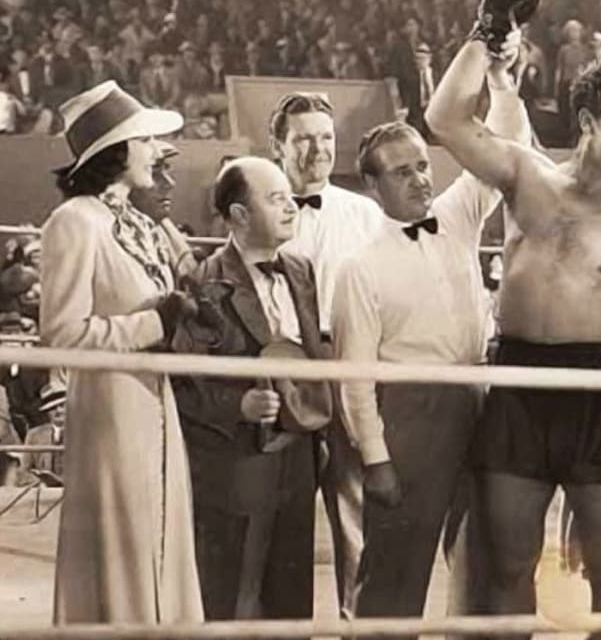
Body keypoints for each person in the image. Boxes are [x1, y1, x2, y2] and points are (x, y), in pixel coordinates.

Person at [426, 0, 601, 635]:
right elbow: (444, 119)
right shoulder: (525, 174)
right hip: (519, 382)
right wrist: (488, 32)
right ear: (588, 122)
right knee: (509, 565)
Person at [333, 33, 531, 622]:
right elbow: (354, 379)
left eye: (423, 165)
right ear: (373, 186)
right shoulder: (360, 266)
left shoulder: (457, 213)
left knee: (481, 560)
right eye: (402, 172)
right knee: (397, 568)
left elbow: (506, 148)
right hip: (411, 413)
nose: (420, 179)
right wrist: (376, 459)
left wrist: (500, 80)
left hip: (480, 397)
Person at [39, 80, 203, 624]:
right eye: (146, 140)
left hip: (156, 403)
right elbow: (61, 333)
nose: (157, 151)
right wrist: (155, 322)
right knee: (124, 544)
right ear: (115, 150)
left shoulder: (137, 223)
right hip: (110, 410)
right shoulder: (74, 221)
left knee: (160, 537)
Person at [172, 156, 331, 623]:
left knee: (292, 591)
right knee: (232, 592)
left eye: (289, 197)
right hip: (235, 461)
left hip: (298, 454)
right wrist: (237, 404)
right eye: (276, 198)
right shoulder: (201, 281)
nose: (291, 207)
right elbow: (180, 382)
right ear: (239, 215)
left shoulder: (300, 269)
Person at [271, 90, 385, 615]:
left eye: (325, 137)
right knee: (284, 515)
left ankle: (356, 626)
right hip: (283, 370)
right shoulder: (260, 210)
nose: (317, 150)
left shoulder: (365, 214)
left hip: (347, 364)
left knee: (355, 515)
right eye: (303, 139)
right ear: (278, 145)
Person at [127, 140, 198, 277]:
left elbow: (193, 278)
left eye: (166, 169)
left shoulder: (162, 227)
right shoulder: (112, 236)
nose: (170, 183)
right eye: (153, 173)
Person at [23, 382, 66, 479]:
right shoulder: (34, 435)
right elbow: (24, 472)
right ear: (46, 412)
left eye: (62, 405)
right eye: (52, 408)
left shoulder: (84, 434)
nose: (59, 411)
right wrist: (40, 483)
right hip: (43, 488)